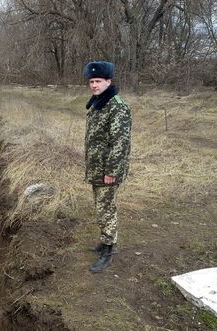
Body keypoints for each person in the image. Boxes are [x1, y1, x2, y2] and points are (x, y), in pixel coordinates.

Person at [84, 61, 132, 273]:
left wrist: (111, 172)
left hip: (107, 171)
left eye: (98, 81)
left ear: (108, 81)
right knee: (101, 207)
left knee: (106, 209)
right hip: (97, 168)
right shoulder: (98, 103)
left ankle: (109, 250)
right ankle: (105, 241)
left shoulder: (116, 107)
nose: (94, 85)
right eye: (91, 81)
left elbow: (119, 144)